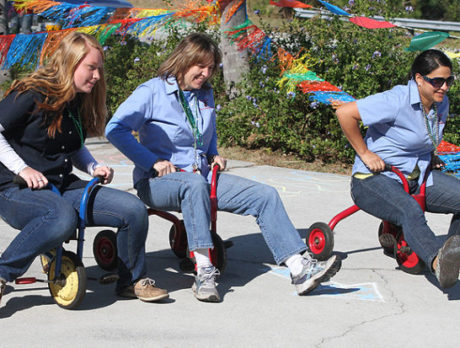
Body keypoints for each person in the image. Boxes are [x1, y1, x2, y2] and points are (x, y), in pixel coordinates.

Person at [106, 32, 341, 302]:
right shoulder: (152, 92)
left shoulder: (205, 94)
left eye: (211, 68)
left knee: (265, 196)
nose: (206, 74)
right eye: (200, 67)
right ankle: (204, 271)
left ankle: (299, 269)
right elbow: (115, 129)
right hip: (158, 182)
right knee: (193, 185)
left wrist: (213, 154)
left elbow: (207, 134)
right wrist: (152, 161)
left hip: (203, 178)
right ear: (184, 60)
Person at [0, 32, 168, 306]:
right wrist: (23, 169)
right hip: (15, 191)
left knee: (133, 210)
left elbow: (73, 146)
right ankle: (3, 273)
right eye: (91, 68)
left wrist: (93, 166)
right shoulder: (31, 93)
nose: (98, 76)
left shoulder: (74, 100)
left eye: (99, 69)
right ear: (70, 63)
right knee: (61, 216)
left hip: (61, 187)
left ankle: (133, 281)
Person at [336, 49, 460, 290]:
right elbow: (345, 113)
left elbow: (424, 135)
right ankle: (438, 262)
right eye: (437, 81)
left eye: (449, 80)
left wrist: (429, 155)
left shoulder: (439, 103)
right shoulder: (396, 100)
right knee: (410, 210)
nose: (444, 87)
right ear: (419, 79)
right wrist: (365, 153)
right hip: (373, 178)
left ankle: (454, 255)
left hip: (415, 175)